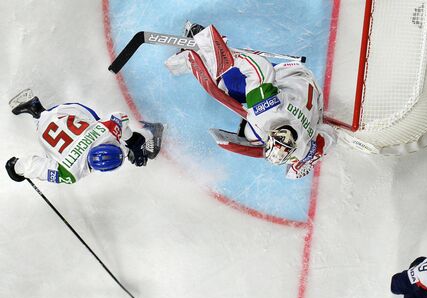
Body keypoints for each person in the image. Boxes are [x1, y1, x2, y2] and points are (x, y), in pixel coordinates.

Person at [165, 22, 337, 179]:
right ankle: (202, 46)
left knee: (252, 125)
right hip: (289, 74)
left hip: (312, 94)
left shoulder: (303, 151)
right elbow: (260, 68)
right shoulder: (267, 111)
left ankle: (206, 54)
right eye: (286, 142)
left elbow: (330, 134)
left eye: (278, 140)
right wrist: (225, 57)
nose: (284, 137)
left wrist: (315, 154)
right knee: (229, 86)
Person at [5, 89, 164, 184]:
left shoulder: (104, 131)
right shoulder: (70, 173)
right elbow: (37, 167)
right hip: (55, 120)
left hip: (64, 112)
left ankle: (38, 111)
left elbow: (120, 117)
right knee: (51, 155)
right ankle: (37, 111)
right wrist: (16, 167)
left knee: (104, 128)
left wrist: (132, 141)